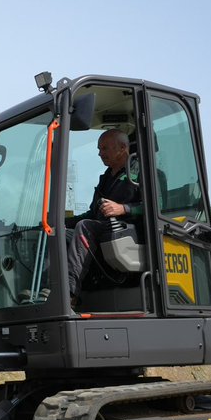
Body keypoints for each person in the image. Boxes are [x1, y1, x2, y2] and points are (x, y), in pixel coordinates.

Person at [66, 128, 141, 305]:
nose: (100, 153)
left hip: (129, 232)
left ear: (123, 148)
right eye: (99, 149)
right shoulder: (105, 179)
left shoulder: (145, 174)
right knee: (58, 233)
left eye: (105, 148)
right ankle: (51, 288)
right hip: (102, 231)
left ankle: (69, 294)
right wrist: (59, 221)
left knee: (85, 226)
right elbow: (93, 213)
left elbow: (157, 207)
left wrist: (124, 209)